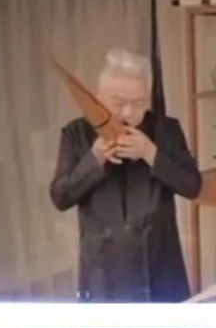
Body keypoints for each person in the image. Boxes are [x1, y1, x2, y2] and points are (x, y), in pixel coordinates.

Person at [50, 48, 201, 303]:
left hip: (159, 263)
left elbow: (193, 186)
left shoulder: (166, 129)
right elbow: (60, 197)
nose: (129, 113)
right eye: (119, 103)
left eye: (139, 103)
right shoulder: (75, 133)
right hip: (103, 267)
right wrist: (94, 159)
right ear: (98, 97)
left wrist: (151, 153)